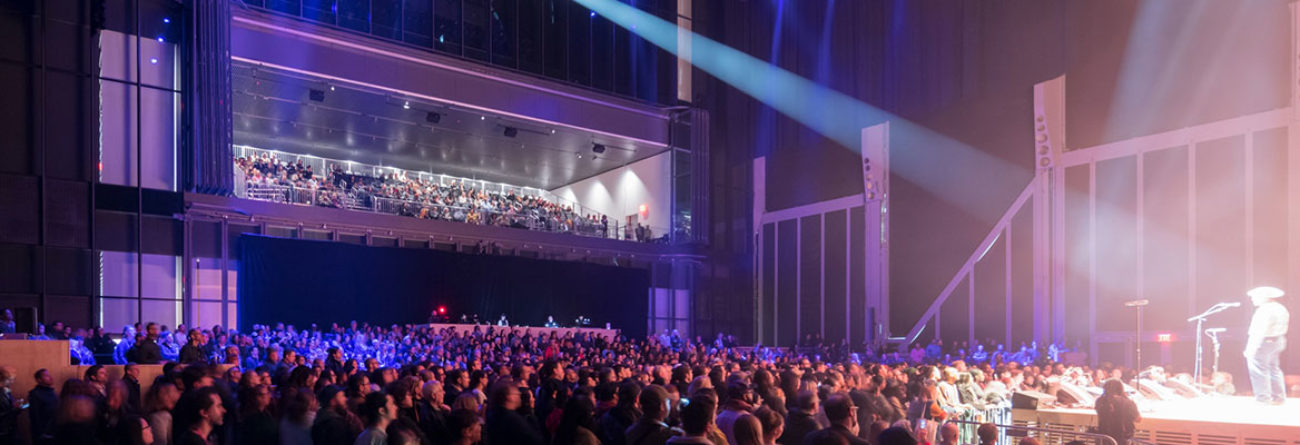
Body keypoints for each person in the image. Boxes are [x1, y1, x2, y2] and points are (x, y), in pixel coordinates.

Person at [1244, 286, 1289, 405]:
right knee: (1274, 369)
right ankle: (1279, 397)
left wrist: (1251, 348)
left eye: (1255, 297)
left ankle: (1263, 400)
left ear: (1265, 297)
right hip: (1278, 340)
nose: (1252, 299)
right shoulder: (1281, 308)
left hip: (1264, 342)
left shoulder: (1265, 310)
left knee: (1258, 370)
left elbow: (1260, 331)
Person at [482, 379, 543, 445]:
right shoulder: (512, 418)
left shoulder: (494, 414)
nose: (519, 397)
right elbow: (533, 439)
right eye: (517, 394)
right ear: (509, 397)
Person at [1094, 380, 1139, 445]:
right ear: (1121, 388)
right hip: (1123, 437)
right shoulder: (1128, 402)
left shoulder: (1100, 401)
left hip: (1104, 437)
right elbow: (1138, 419)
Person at [29, 369, 57, 445]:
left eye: (49, 375)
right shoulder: (35, 394)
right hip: (44, 435)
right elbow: (35, 416)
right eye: (46, 376)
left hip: (54, 432)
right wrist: (41, 433)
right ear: (39, 380)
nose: (50, 377)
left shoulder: (52, 392)